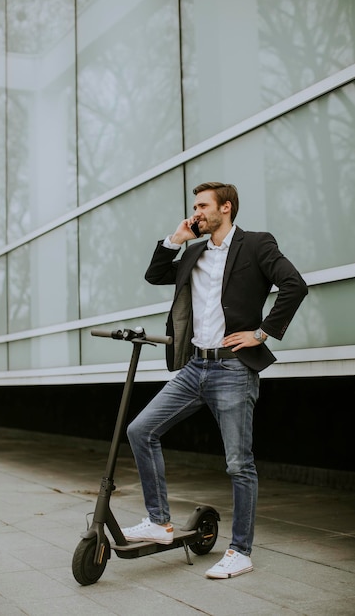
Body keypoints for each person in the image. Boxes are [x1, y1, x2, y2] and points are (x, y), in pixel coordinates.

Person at [122, 182, 308, 579]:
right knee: (140, 430)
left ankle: (240, 551)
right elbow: (156, 275)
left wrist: (261, 333)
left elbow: (295, 285)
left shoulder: (257, 244)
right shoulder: (193, 252)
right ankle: (159, 522)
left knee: (239, 464)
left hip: (233, 369)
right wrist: (175, 238)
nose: (197, 212)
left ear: (226, 208)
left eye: (203, 205)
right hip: (194, 367)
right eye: (194, 206)